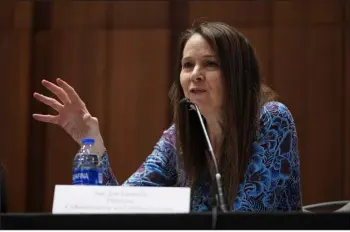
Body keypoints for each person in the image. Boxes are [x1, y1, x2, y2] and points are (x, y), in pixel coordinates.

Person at [33, 21, 302, 212]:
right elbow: (121, 206)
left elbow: (248, 218)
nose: (195, 73)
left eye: (211, 63)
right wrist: (92, 142)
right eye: (187, 65)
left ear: (239, 73)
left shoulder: (271, 119)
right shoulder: (180, 136)